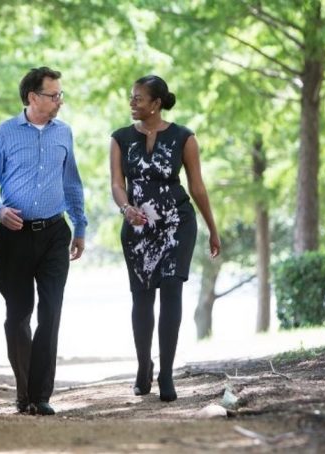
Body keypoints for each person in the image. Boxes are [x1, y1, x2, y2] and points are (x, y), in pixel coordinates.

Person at [0, 66, 87, 416]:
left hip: (55, 232)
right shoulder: (5, 133)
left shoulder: (64, 134)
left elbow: (72, 184)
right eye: (54, 95)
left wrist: (80, 226)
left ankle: (41, 395)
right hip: (15, 235)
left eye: (60, 95)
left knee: (50, 312)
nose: (59, 101)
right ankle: (24, 393)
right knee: (18, 315)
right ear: (32, 97)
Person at [109, 75, 221, 402]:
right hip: (138, 227)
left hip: (177, 223)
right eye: (132, 97)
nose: (132, 103)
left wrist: (213, 228)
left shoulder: (184, 138)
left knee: (172, 291)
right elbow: (117, 184)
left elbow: (197, 187)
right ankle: (144, 366)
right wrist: (126, 208)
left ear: (156, 104)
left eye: (138, 98)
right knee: (142, 299)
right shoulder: (119, 138)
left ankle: (166, 374)